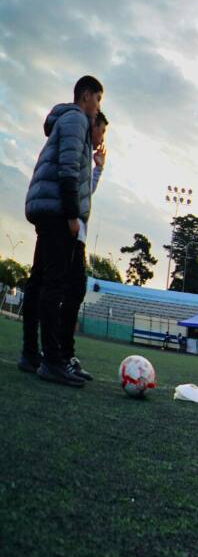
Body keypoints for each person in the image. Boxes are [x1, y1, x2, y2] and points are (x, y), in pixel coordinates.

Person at [21, 75, 103, 385]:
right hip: (57, 210)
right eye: (97, 100)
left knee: (41, 280)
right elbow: (68, 168)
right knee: (54, 284)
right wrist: (71, 214)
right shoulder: (76, 119)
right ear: (86, 96)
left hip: (50, 206)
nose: (97, 108)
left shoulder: (70, 120)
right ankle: (51, 360)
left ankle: (33, 355)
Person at [56, 110, 108, 382]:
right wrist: (72, 218)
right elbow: (72, 188)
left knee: (74, 290)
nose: (103, 137)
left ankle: (64, 354)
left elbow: (86, 192)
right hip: (71, 231)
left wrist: (99, 169)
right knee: (66, 289)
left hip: (79, 235)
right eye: (102, 130)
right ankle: (58, 355)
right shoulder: (78, 149)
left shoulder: (87, 159)